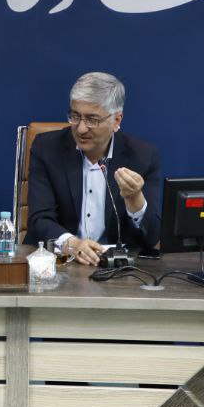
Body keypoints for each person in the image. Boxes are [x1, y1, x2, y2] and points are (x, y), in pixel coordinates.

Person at [24, 71, 162, 264]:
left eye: (92, 120)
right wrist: (72, 244)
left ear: (116, 120)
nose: (81, 128)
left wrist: (135, 199)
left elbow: (152, 237)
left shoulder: (143, 156)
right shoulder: (46, 148)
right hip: (60, 262)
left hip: (116, 269)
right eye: (75, 116)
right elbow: (40, 219)